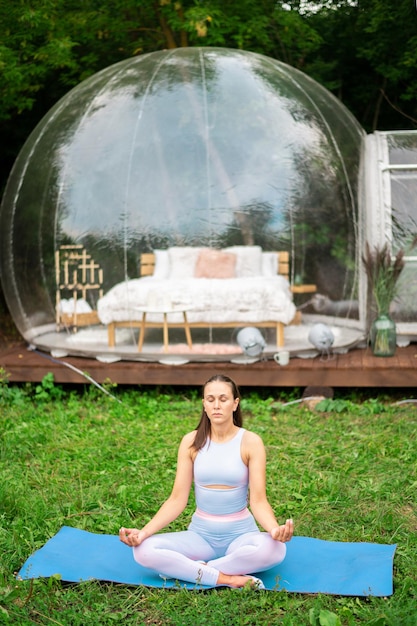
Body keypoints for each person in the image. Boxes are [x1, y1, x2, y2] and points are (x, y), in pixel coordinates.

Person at [119, 373, 294, 589]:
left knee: (275, 549)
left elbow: (258, 501)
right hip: (200, 537)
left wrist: (274, 529)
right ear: (204, 404)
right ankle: (227, 578)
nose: (217, 405)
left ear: (235, 403)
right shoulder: (191, 442)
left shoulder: (250, 442)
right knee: (143, 551)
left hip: (241, 536)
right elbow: (176, 500)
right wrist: (144, 532)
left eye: (223, 399)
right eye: (210, 399)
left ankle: (196, 570)